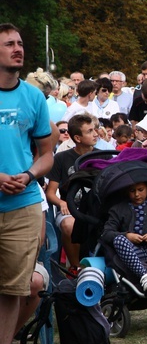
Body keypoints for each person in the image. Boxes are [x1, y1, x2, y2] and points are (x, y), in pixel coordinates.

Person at [0, 23, 54, 344]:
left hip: (23, 205)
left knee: (12, 290)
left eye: (20, 43)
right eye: (8, 44)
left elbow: (47, 153)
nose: (18, 49)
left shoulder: (34, 98)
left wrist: (28, 174)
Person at [46, 113, 99, 270]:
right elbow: (50, 192)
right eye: (89, 131)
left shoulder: (103, 156)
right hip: (70, 208)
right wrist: (62, 202)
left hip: (95, 209)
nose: (96, 133)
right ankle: (75, 268)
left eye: (95, 129)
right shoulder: (62, 158)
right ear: (77, 138)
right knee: (69, 225)